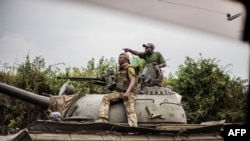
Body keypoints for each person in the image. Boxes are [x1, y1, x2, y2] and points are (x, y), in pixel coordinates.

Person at [95, 52, 138, 127]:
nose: (118, 59)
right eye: (118, 58)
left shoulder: (130, 68)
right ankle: (103, 118)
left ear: (126, 59)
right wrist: (111, 86)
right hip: (119, 92)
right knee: (106, 97)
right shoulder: (120, 70)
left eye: (120, 58)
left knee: (130, 110)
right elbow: (117, 82)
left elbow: (133, 80)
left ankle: (133, 127)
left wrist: (127, 92)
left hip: (129, 93)